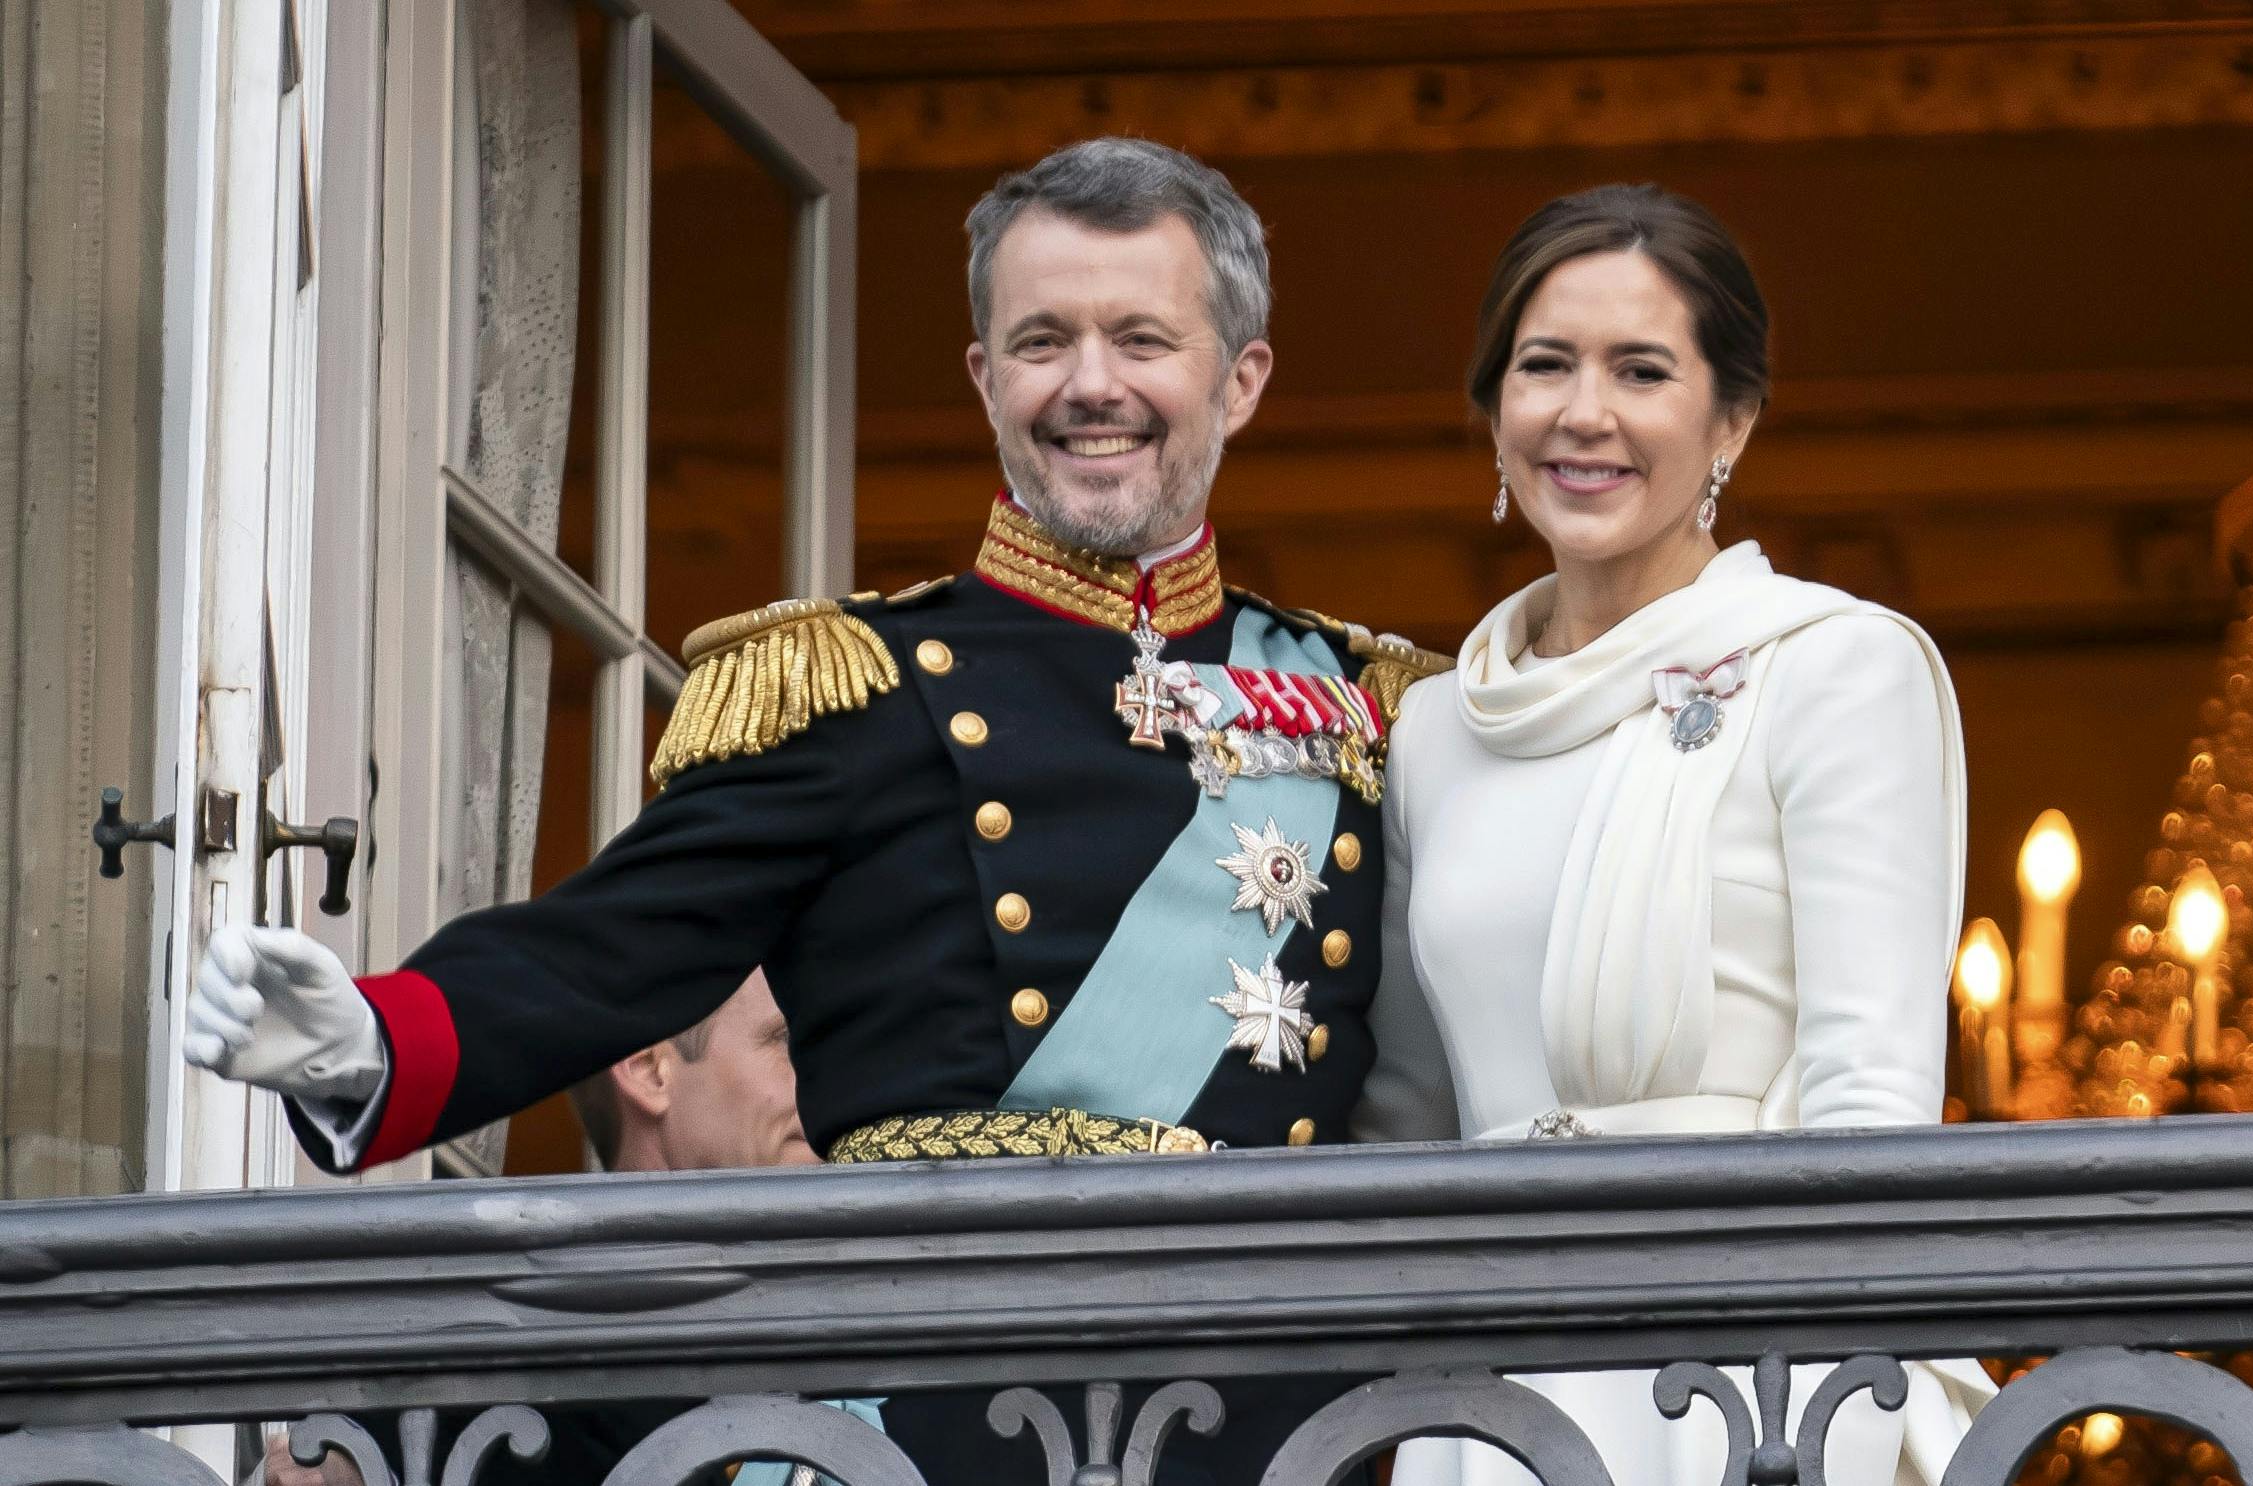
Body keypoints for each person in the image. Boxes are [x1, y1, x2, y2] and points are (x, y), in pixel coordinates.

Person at [190, 136, 1449, 1484]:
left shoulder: (1369, 710)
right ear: (985, 377)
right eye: (1042, 341)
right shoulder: (859, 686)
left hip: (1257, 1432)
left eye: (1141, 338)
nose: (1091, 384)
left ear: (1239, 379)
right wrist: (372, 1039)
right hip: (931, 1425)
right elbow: (619, 943)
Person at [1358, 185, 1994, 1486]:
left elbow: (1871, 1104)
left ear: (1731, 420)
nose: (1583, 412)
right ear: (1494, 409)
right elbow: (1408, 1123)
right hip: (1489, 1395)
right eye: (1545, 365)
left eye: (1641, 371)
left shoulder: (1835, 668)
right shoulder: (1431, 729)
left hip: (1750, 1375)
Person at [263, 971, 818, 1486]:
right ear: (649, 1069)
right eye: (789, 1040)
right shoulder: (514, 1341)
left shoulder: (845, 1299)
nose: (835, 1083)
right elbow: (317, 1465)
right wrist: (340, 1469)